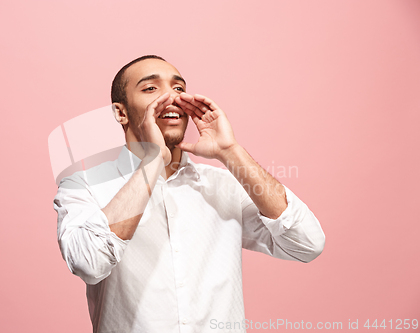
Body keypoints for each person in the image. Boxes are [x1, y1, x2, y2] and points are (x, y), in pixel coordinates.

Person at [53, 55, 325, 333]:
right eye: (150, 89)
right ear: (121, 112)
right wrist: (153, 161)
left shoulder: (225, 186)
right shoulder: (83, 185)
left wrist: (230, 152)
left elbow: (306, 243)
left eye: (179, 89)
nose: (171, 97)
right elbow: (88, 263)